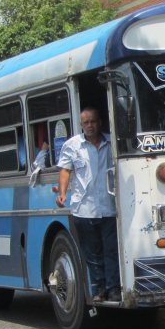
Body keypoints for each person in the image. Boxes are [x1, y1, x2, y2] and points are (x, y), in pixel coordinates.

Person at [55, 108, 120, 303]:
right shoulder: (72, 145)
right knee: (93, 254)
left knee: (111, 250)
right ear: (81, 125)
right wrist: (62, 192)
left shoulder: (112, 142)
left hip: (109, 207)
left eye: (93, 121)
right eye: (86, 123)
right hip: (84, 209)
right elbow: (65, 170)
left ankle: (114, 288)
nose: (90, 125)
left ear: (100, 122)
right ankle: (100, 288)